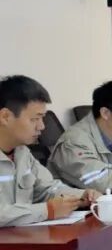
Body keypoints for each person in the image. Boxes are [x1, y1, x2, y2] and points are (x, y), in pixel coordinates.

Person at [1, 75, 97, 227]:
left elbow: (47, 188)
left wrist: (81, 196)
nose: (41, 126)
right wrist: (48, 210)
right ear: (5, 116)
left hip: (22, 236)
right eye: (35, 119)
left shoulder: (22, 152)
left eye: (42, 118)